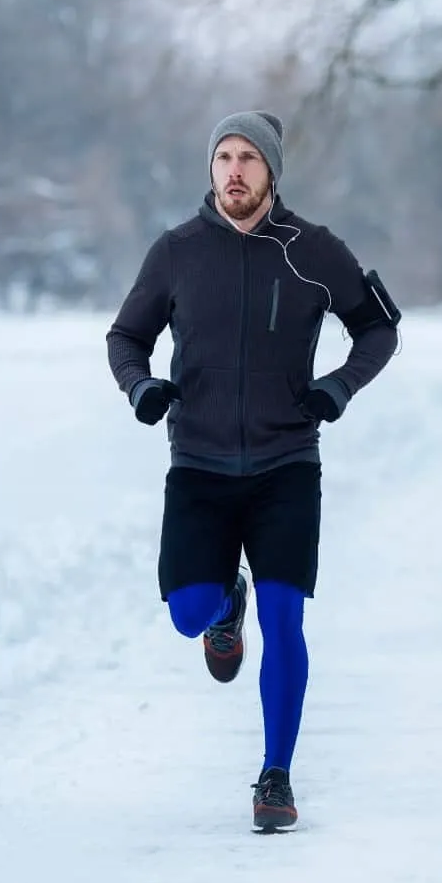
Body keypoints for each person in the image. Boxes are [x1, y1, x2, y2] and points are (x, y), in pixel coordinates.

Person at [105, 110, 400, 832]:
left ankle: (276, 776)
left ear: (271, 172)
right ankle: (222, 606)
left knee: (286, 619)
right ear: (210, 169)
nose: (234, 171)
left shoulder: (313, 250)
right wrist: (142, 386)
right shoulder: (175, 252)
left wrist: (337, 386)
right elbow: (126, 336)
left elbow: (379, 327)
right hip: (200, 465)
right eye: (223, 158)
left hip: (285, 464)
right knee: (188, 614)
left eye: (248, 160)